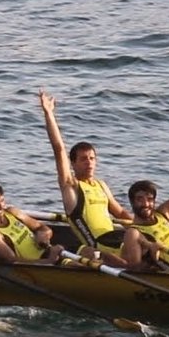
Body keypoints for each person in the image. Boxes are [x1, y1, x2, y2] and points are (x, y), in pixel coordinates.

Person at [39, 90, 132, 262]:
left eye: (91, 158)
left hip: (114, 239)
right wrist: (49, 113)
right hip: (98, 247)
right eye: (83, 159)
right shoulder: (71, 186)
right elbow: (58, 149)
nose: (89, 162)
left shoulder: (101, 185)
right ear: (73, 164)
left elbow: (121, 213)